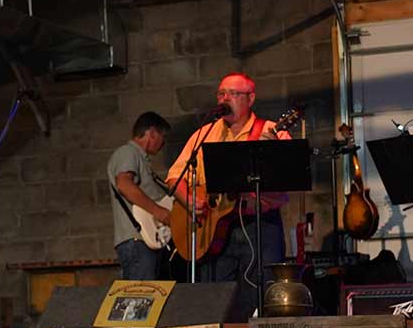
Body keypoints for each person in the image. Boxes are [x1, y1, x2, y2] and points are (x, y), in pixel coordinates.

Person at [163, 73, 293, 311]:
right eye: (221, 93)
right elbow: (174, 177)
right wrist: (189, 200)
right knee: (216, 302)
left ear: (250, 98)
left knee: (262, 297)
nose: (225, 98)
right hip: (214, 231)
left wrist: (266, 160)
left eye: (233, 94)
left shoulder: (272, 131)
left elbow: (288, 177)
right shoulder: (205, 134)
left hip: (259, 227)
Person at [108, 111, 172, 279]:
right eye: (162, 136)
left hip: (147, 241)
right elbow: (124, 184)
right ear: (151, 133)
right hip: (138, 241)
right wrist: (158, 211)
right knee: (141, 301)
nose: (163, 143)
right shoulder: (128, 152)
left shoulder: (139, 158)